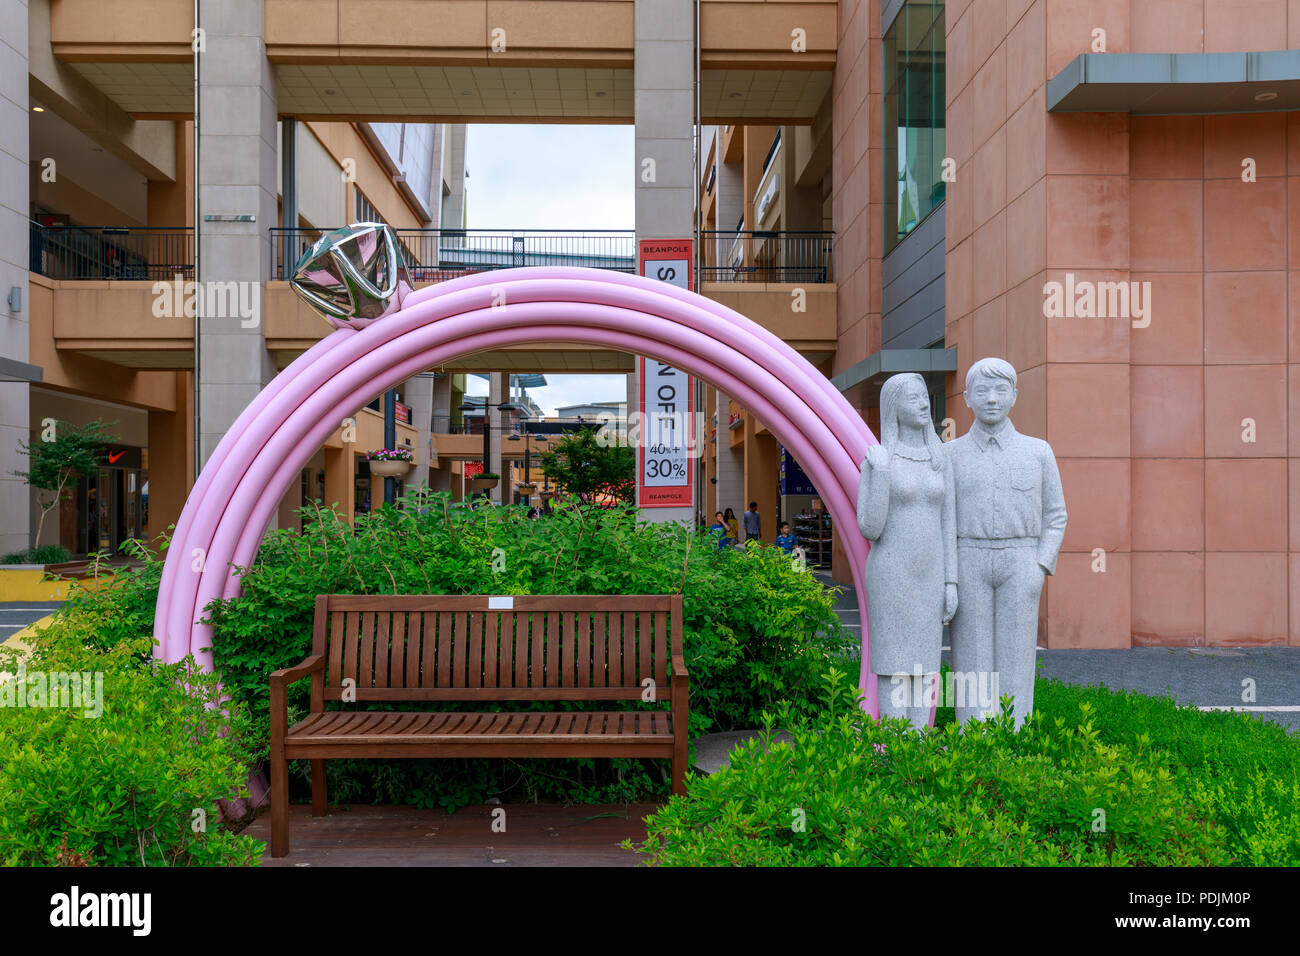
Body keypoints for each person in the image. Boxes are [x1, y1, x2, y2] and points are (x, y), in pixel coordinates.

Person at [948, 357, 1067, 730]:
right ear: (966, 398)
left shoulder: (1038, 451)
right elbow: (941, 520)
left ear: (1015, 395)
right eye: (981, 391)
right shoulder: (950, 455)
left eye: (1001, 390)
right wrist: (950, 576)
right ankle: (972, 736)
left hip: (1022, 558)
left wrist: (1040, 565)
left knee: (1017, 652)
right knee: (970, 653)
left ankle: (1015, 734)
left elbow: (1056, 515)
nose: (992, 399)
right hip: (968, 556)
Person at [857, 372, 957, 730]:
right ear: (893, 406)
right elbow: (870, 526)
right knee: (894, 661)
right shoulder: (879, 457)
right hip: (890, 573)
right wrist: (880, 472)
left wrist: (952, 583)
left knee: (925, 663)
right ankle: (895, 750)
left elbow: (950, 524)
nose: (923, 403)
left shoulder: (940, 458)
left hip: (930, 575)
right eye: (912, 397)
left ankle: (919, 746)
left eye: (924, 396)